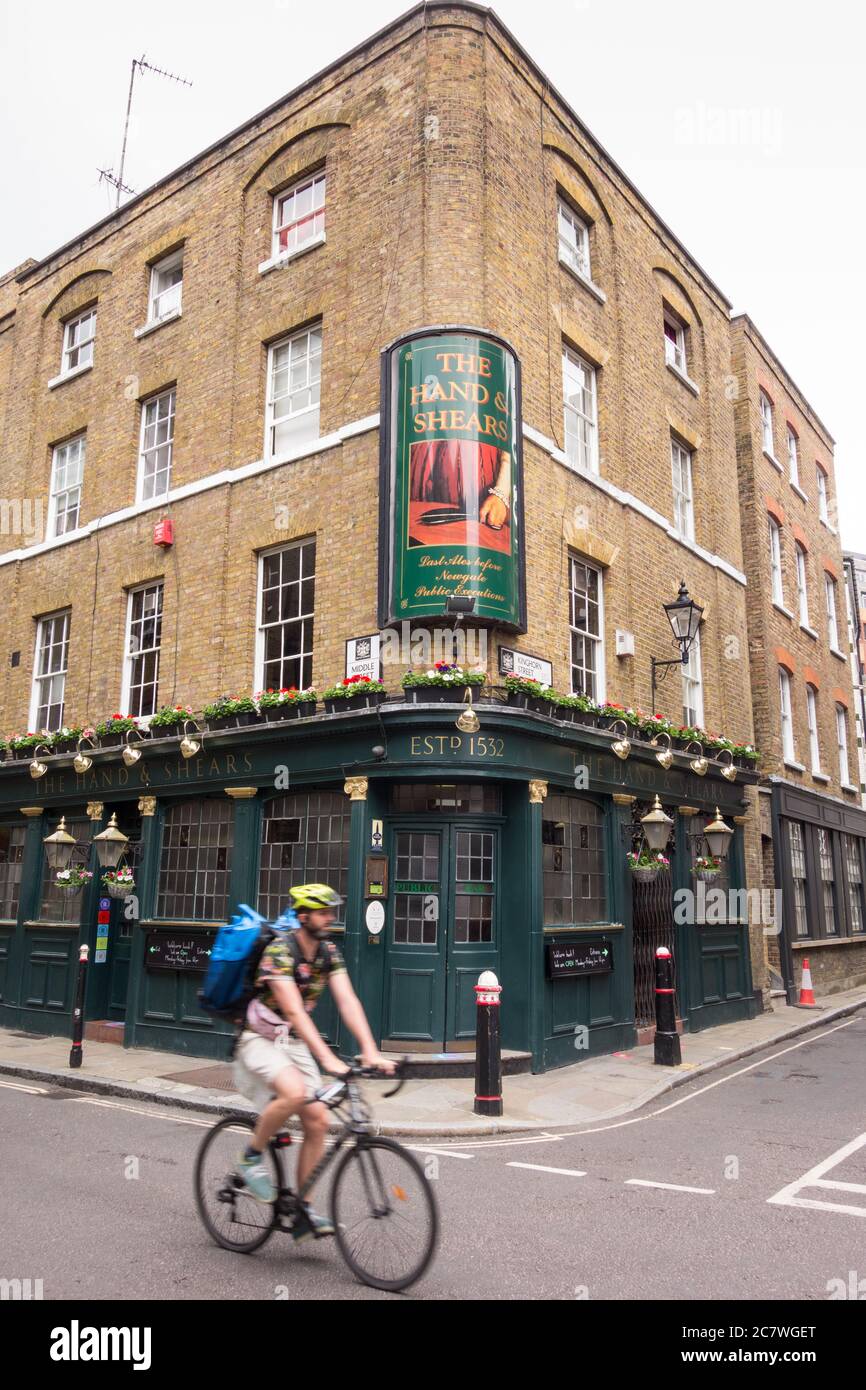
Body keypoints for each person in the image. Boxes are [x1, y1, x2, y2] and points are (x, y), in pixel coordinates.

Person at [232, 883, 396, 1241]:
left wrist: (369, 1050)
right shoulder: (280, 951)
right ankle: (250, 1158)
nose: (330, 919)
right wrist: (328, 1059)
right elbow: (291, 1008)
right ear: (303, 916)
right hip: (259, 1039)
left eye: (331, 912)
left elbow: (347, 1000)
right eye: (323, 913)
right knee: (293, 1092)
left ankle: (303, 1210)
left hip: (292, 1042)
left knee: (318, 1121)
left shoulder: (328, 953)